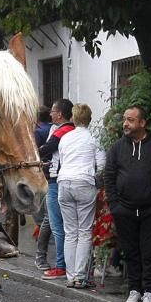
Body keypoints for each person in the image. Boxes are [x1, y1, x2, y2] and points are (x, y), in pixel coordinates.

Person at [103, 104, 151, 302]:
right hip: (124, 209)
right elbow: (109, 175)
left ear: (142, 123)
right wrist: (114, 204)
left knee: (150, 252)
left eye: (131, 120)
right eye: (125, 119)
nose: (125, 123)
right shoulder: (118, 147)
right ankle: (134, 290)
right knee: (130, 251)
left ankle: (150, 292)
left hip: (150, 209)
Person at [57, 104, 104, 288]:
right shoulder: (94, 138)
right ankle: (79, 276)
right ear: (90, 119)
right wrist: (98, 184)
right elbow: (101, 164)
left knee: (70, 232)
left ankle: (70, 276)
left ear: (74, 119)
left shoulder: (65, 138)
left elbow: (61, 160)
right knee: (84, 231)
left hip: (64, 182)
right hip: (84, 182)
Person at [39, 99, 75, 280]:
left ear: (60, 114)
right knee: (74, 228)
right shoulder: (76, 131)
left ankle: (61, 265)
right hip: (74, 181)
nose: (51, 114)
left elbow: (44, 150)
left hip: (56, 182)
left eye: (53, 111)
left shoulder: (61, 131)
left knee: (57, 226)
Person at [33, 105, 54, 271]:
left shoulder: (38, 131)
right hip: (53, 176)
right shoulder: (54, 129)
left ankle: (40, 255)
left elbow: (35, 153)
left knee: (44, 218)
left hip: (44, 176)